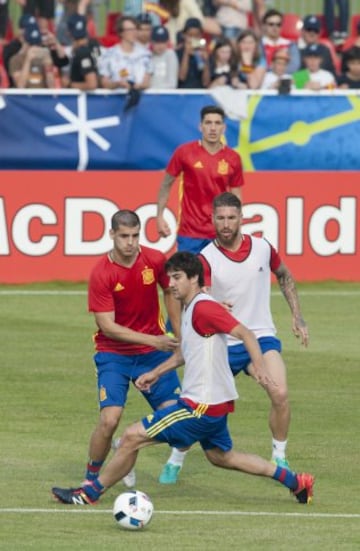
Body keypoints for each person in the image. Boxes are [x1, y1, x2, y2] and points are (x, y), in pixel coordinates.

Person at [52, 251, 315, 507]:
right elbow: (185, 353)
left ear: (194, 278)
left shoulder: (204, 309)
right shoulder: (192, 309)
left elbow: (246, 333)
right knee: (222, 457)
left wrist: (260, 368)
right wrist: (156, 373)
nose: (171, 283)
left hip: (200, 407)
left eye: (177, 277)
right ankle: (296, 481)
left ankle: (88, 493)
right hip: (215, 405)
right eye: (170, 278)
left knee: (132, 437)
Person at [52, 209, 189, 492]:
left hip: (153, 354)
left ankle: (125, 444)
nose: (130, 242)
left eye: (135, 235)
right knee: (109, 419)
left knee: (181, 427)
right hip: (114, 354)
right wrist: (155, 340)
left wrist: (178, 332)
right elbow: (108, 326)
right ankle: (92, 477)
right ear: (112, 235)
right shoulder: (102, 273)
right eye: (124, 236)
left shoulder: (154, 259)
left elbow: (172, 290)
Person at [199, 192, 309, 468]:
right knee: (198, 407)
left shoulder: (262, 248)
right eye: (220, 218)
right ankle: (176, 457)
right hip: (222, 342)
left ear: (241, 219)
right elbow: (202, 298)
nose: (226, 224)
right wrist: (214, 306)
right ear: (212, 219)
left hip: (260, 337)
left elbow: (283, 274)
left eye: (231, 218)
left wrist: (297, 316)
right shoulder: (205, 257)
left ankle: (279, 456)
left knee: (280, 394)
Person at [157, 104, 244, 255]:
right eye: (208, 123)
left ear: (223, 128)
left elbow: (236, 197)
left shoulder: (233, 158)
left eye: (217, 123)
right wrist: (159, 216)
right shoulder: (184, 153)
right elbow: (166, 184)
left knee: (219, 278)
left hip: (220, 232)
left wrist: (236, 226)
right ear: (200, 126)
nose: (212, 128)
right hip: (189, 233)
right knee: (188, 277)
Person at [97, 15, 152, 91]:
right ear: (121, 33)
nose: (134, 32)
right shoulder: (108, 55)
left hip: (140, 99)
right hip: (116, 99)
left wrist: (138, 86)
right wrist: (117, 84)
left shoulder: (145, 55)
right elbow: (104, 82)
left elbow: (147, 81)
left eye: (136, 29)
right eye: (130, 30)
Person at [9, 20, 55, 88]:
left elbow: (52, 87)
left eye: (37, 44)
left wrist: (48, 68)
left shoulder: (42, 57)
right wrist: (28, 60)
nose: (34, 47)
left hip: (41, 96)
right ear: (23, 40)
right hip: (24, 98)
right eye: (30, 44)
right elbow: (20, 86)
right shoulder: (15, 60)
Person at [260, 8, 300, 74]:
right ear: (264, 26)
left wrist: (279, 74)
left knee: (303, 76)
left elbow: (295, 66)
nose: (275, 27)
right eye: (271, 24)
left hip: (286, 79)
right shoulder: (259, 44)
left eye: (278, 24)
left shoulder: (290, 44)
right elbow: (258, 66)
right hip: (264, 79)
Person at [66, 13, 98, 90]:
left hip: (88, 99)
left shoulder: (82, 53)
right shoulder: (95, 45)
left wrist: (70, 84)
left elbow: (92, 84)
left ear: (69, 33)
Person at [176, 17, 211, 89]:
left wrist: (205, 61)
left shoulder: (204, 52)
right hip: (182, 92)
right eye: (190, 35)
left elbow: (206, 83)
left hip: (199, 93)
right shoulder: (178, 52)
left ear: (201, 36)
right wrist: (186, 54)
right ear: (184, 35)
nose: (193, 39)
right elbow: (181, 77)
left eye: (196, 36)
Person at [149, 24, 179, 89]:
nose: (160, 46)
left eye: (163, 42)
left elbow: (172, 83)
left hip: (166, 95)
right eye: (157, 42)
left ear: (167, 42)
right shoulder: (148, 56)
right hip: (149, 95)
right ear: (151, 42)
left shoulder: (170, 55)